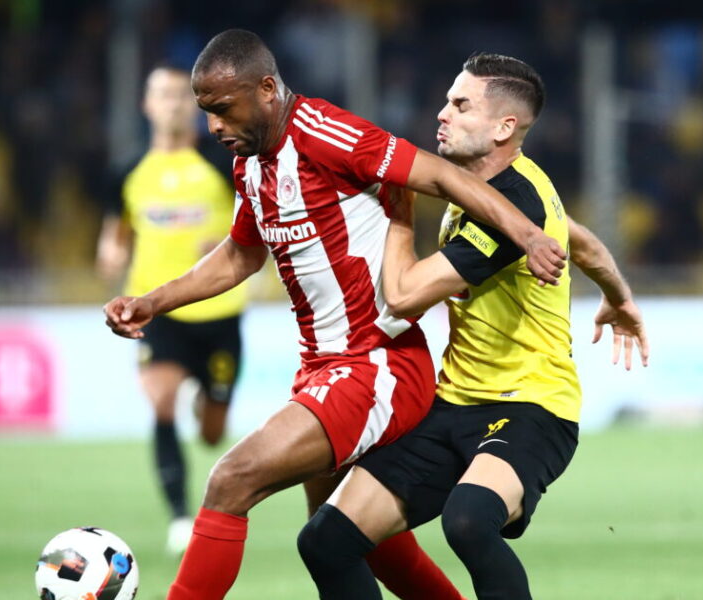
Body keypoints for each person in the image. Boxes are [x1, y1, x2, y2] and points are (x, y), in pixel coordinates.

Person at [103, 31, 566, 600]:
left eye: (223, 108)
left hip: (376, 365)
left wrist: (526, 233)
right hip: (324, 367)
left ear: (267, 90)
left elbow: (441, 175)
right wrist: (153, 300)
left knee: (232, 479)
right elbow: (241, 255)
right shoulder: (251, 163)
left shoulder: (325, 133)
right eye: (208, 112)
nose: (214, 126)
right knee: (341, 537)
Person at [297, 54, 649, 599]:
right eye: (447, 101)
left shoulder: (514, 203)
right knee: (325, 541)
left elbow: (403, 296)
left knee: (467, 520)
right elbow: (579, 240)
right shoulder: (498, 185)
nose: (442, 114)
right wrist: (618, 296)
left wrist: (399, 203)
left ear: (504, 127)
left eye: (461, 105)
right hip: (454, 403)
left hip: (532, 407)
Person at [96, 64, 247, 556]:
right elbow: (116, 233)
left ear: (197, 105)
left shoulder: (224, 162)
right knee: (161, 402)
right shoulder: (127, 170)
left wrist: (224, 238)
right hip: (158, 312)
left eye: (183, 95)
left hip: (220, 312)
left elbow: (256, 222)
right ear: (147, 105)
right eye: (163, 94)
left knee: (212, 433)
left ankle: (208, 399)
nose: (174, 103)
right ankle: (181, 516)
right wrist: (111, 253)